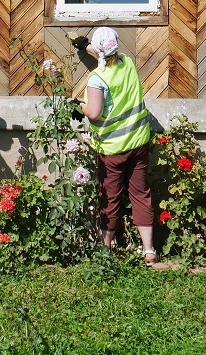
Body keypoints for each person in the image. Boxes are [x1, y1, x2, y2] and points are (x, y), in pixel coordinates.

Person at [71, 27, 157, 264]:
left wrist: (79, 106)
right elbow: (107, 56)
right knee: (140, 194)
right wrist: (86, 46)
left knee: (110, 197)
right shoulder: (127, 63)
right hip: (138, 141)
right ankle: (149, 249)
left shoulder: (97, 79)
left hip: (112, 148)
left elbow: (95, 113)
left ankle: (105, 250)